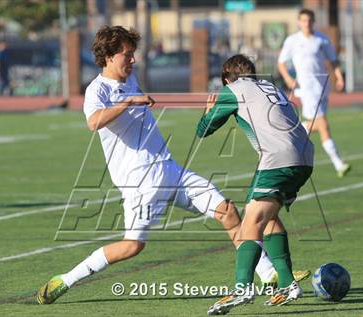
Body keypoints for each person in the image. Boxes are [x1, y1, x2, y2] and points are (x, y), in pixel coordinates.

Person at [36, 26, 308, 305]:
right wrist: (128, 102)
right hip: (141, 182)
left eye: (133, 54)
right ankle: (66, 279)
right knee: (132, 246)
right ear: (107, 56)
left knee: (227, 211)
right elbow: (93, 122)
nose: (133, 60)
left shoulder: (130, 79)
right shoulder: (97, 89)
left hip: (170, 170)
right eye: (126, 55)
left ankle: (268, 274)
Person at [196, 54, 314, 315]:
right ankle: (287, 283)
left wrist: (207, 113)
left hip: (278, 160)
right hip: (306, 157)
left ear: (227, 79)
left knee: (251, 222)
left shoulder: (232, 90)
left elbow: (203, 130)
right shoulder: (271, 86)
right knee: (269, 217)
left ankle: (242, 288)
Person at [278, 8, 350, 178]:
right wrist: (288, 78)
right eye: (303, 20)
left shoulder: (321, 39)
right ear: (298, 22)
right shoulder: (292, 41)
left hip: (322, 87)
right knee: (323, 124)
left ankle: (292, 132)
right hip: (307, 88)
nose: (306, 23)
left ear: (313, 22)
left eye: (309, 20)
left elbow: (333, 60)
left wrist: (339, 77)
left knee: (313, 125)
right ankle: (339, 163)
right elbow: (281, 63)